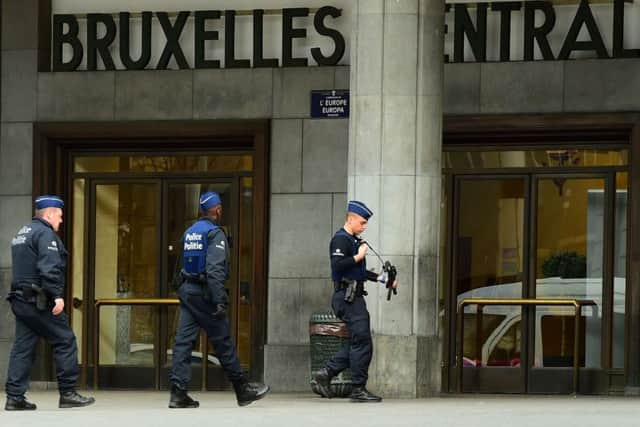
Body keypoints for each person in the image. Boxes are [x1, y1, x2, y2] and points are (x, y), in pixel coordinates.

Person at [169, 192, 269, 408]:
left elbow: (179, 264)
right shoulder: (215, 233)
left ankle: (178, 393)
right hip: (205, 294)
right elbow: (215, 270)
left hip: (188, 291)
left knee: (183, 342)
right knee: (222, 340)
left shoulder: (189, 232)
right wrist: (219, 300)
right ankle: (242, 389)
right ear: (217, 210)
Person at [5, 195, 95, 411]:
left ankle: (14, 397)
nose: (61, 220)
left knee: (23, 347)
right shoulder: (46, 234)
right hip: (38, 300)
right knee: (65, 340)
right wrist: (57, 295)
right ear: (50, 213)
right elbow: (49, 268)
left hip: (20, 299)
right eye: (60, 216)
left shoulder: (22, 232)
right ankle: (68, 393)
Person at [313, 200, 398, 403]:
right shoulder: (341, 240)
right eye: (361, 222)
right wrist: (359, 256)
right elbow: (338, 265)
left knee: (357, 342)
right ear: (350, 219)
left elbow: (357, 273)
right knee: (363, 343)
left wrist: (382, 278)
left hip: (354, 297)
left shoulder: (352, 240)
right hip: (347, 298)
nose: (364, 226)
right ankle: (357, 388)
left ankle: (326, 373)